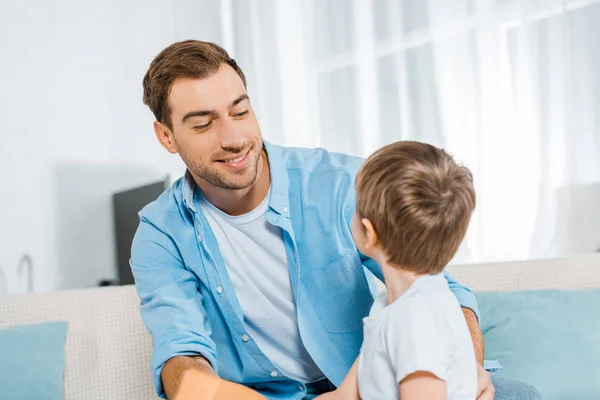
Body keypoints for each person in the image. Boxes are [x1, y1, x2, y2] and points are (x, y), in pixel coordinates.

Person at [131, 40, 542, 400]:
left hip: (377, 385)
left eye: (240, 112)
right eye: (203, 124)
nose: (234, 138)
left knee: (515, 395)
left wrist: (465, 367)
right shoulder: (160, 233)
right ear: (166, 136)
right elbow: (181, 357)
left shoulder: (345, 183)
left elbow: (438, 288)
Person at [316, 141, 478, 400]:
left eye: (355, 207)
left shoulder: (415, 317)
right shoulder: (391, 306)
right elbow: (345, 396)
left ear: (369, 233)